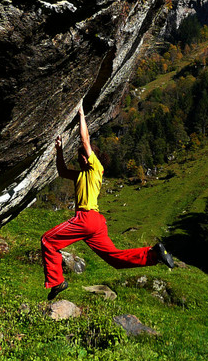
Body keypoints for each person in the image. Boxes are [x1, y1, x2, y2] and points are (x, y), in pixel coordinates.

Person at [41, 104, 175, 300]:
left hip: (86, 218)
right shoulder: (80, 175)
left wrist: (80, 114)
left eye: (81, 156)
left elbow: (85, 140)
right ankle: (154, 255)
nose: (80, 159)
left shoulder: (95, 168)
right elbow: (61, 171)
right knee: (115, 259)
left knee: (48, 241)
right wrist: (59, 149)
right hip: (96, 224)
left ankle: (57, 282)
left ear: (88, 157)